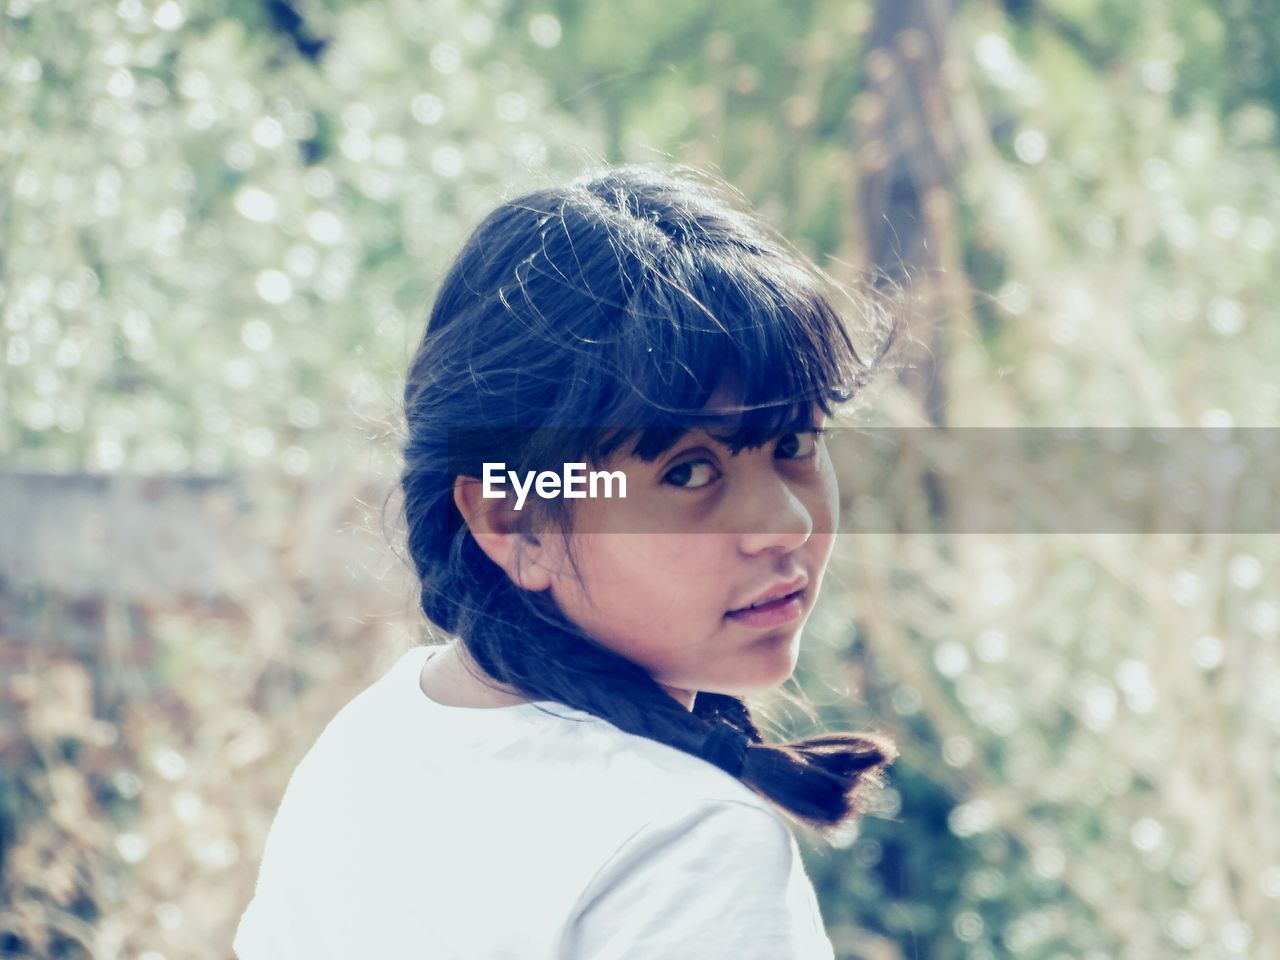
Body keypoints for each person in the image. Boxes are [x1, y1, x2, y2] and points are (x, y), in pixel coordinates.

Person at [234, 164, 899, 959]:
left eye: (795, 444)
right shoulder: (689, 845)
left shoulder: (370, 744)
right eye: (688, 471)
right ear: (517, 522)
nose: (786, 523)